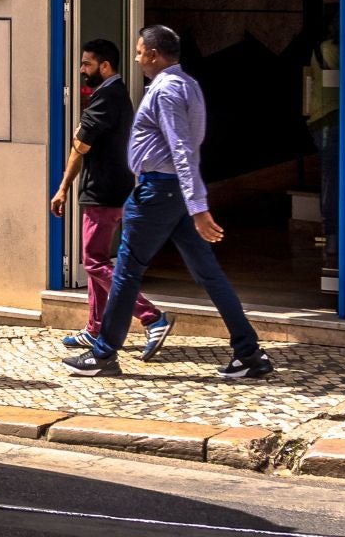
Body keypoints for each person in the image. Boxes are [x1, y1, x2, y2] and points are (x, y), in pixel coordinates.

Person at [64, 26, 273, 380]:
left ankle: (102, 355)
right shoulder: (187, 84)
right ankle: (249, 354)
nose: (136, 57)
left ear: (154, 54)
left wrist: (198, 207)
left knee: (127, 271)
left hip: (159, 192)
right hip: (169, 193)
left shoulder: (166, 90)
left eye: (139, 51)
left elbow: (182, 149)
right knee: (208, 273)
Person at [52, 39, 174, 358]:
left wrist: (63, 186)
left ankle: (152, 317)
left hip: (103, 192)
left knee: (93, 260)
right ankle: (95, 329)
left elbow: (81, 146)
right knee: (98, 262)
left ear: (105, 66)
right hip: (114, 189)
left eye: (87, 64)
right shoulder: (115, 96)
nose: (81, 70)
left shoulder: (106, 98)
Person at [304, 20, 340, 274]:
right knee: (332, 180)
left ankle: (332, 239)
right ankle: (332, 238)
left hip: (321, 119)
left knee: (330, 179)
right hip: (331, 120)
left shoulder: (322, 48)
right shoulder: (333, 49)